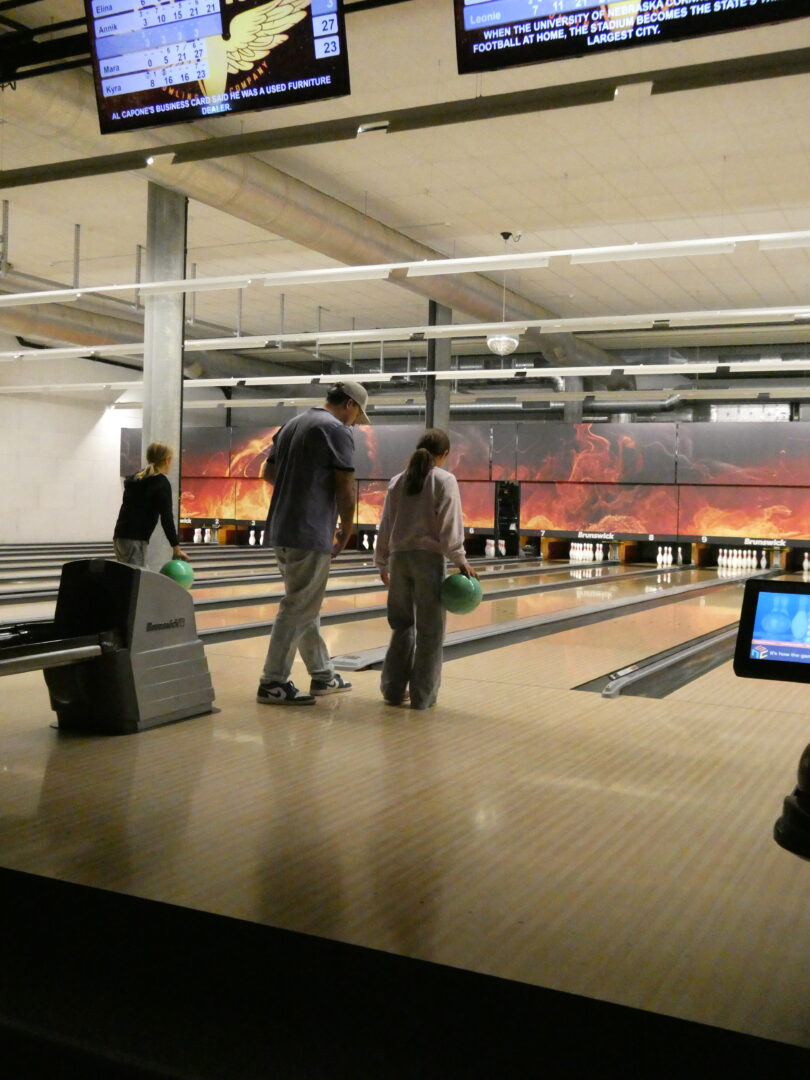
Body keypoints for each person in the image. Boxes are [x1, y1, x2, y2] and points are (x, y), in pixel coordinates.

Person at [256, 381, 370, 706]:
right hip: (309, 529)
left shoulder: (292, 424)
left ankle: (323, 674)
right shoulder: (335, 430)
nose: (355, 424)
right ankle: (272, 682)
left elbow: (267, 473)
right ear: (349, 404)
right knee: (298, 606)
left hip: (281, 527)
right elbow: (345, 486)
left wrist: (298, 486)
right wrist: (347, 528)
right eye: (357, 416)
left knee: (304, 604)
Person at [374, 428, 477, 711]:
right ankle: (422, 696)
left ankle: (393, 690)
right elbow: (449, 524)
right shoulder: (444, 480)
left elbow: (386, 523)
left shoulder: (397, 481)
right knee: (430, 632)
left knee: (401, 626)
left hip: (399, 559)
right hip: (427, 561)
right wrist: (460, 559)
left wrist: (382, 561)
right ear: (444, 454)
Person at [113, 441, 187, 568]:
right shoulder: (161, 483)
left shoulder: (137, 478)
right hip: (135, 540)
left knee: (129, 576)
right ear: (167, 460)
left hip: (120, 537)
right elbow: (167, 518)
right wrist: (176, 548)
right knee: (138, 578)